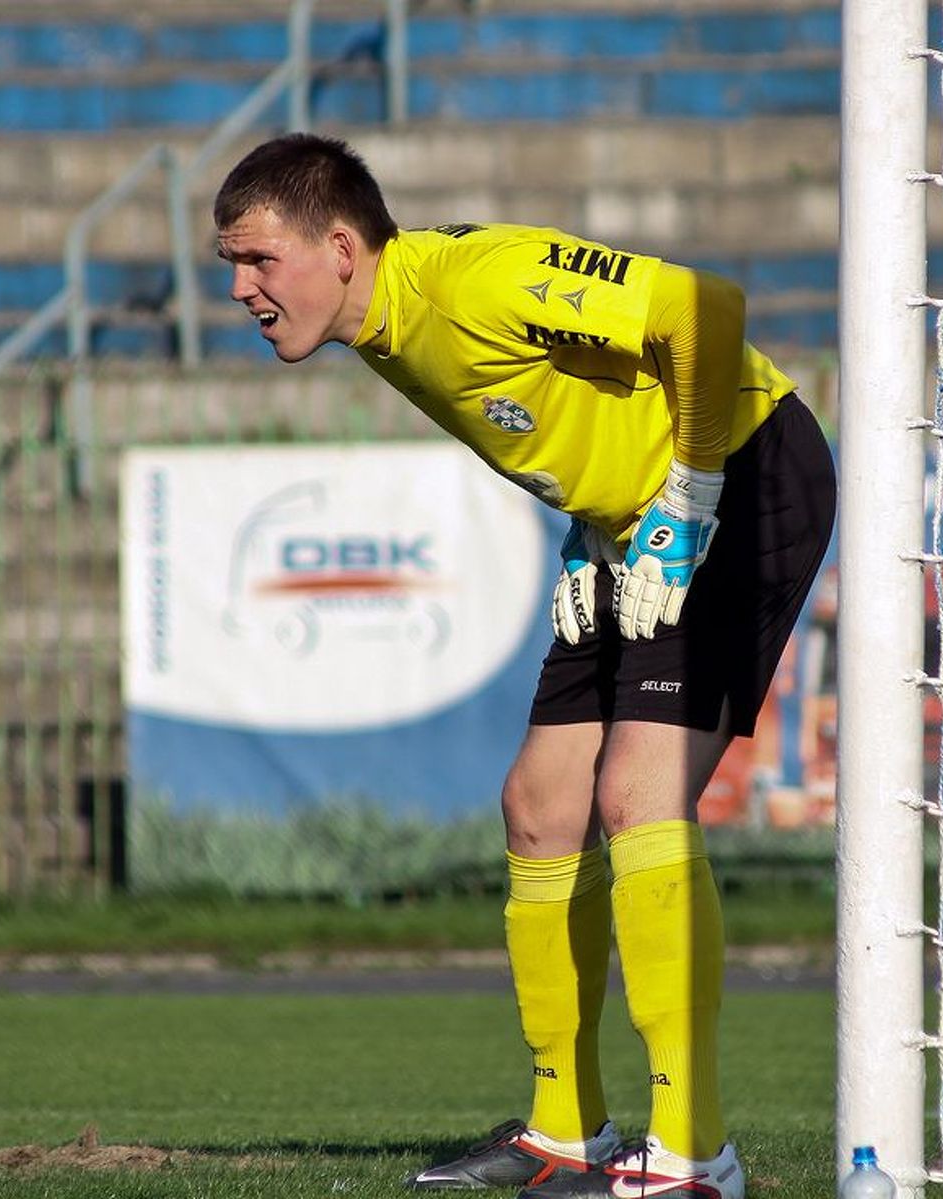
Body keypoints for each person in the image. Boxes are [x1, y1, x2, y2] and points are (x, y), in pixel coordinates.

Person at [214, 133, 836, 1199]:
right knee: (540, 808)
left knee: (638, 794)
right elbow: (582, 400)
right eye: (233, 265)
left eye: (259, 261)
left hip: (742, 471)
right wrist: (593, 528)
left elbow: (705, 309)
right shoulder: (382, 324)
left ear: (341, 247)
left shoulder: (475, 277)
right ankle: (566, 1129)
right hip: (630, 518)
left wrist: (683, 500)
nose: (240, 289)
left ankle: (696, 1156)